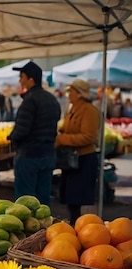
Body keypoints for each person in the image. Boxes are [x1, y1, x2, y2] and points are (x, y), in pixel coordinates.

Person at [8, 61, 60, 206]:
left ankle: (30, 229)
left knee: (25, 202)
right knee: (43, 200)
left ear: (31, 79)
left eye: (22, 77)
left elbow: (22, 130)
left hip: (29, 156)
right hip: (48, 154)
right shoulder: (52, 99)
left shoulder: (30, 100)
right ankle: (44, 227)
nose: (20, 80)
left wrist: (12, 138)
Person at [55, 79, 99, 225]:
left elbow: (89, 137)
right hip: (72, 160)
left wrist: (62, 139)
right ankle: (75, 225)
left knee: (77, 199)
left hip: (84, 160)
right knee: (71, 199)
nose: (68, 94)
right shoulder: (73, 108)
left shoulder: (89, 110)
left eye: (71, 91)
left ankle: (79, 228)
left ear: (80, 94)